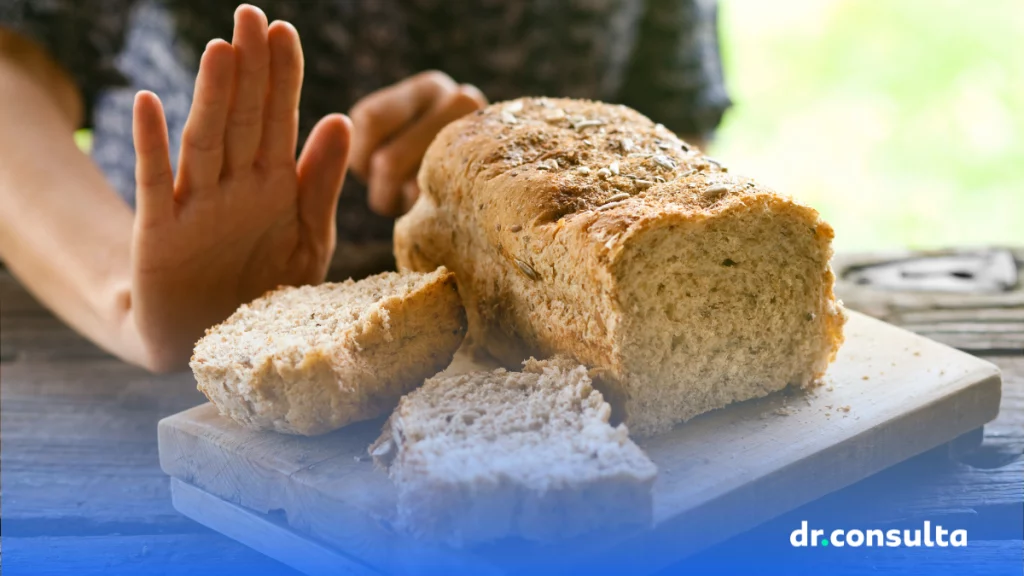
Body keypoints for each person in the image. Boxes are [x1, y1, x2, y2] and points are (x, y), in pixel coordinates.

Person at [0, 0, 730, 372]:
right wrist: (122, 292)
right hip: (124, 356)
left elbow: (670, 130)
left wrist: (513, 161)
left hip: (520, 353)